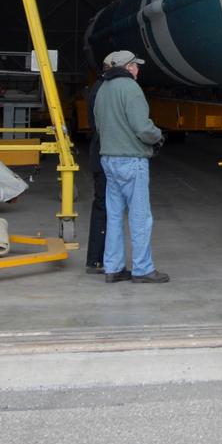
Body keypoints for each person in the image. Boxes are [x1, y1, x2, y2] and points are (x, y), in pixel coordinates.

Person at [93, 50, 168, 284]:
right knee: (140, 217)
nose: (138, 69)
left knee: (114, 216)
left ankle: (113, 268)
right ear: (127, 67)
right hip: (131, 160)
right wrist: (157, 136)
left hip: (108, 159)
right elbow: (142, 127)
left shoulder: (102, 89)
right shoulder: (131, 88)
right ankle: (142, 269)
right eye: (135, 65)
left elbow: (98, 124)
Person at [82, 61, 112, 274]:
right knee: (105, 206)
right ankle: (97, 259)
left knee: (103, 205)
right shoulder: (104, 90)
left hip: (99, 152)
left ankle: (97, 259)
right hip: (104, 153)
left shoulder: (97, 87)